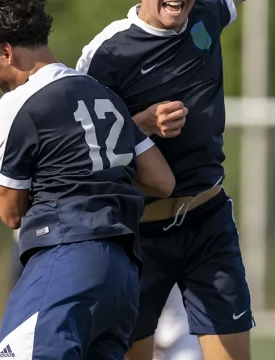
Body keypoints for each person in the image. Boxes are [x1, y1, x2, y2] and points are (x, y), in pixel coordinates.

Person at [0, 1, 175, 359]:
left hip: (67, 260)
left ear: (5, 51)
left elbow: (11, 213)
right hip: (123, 276)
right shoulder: (103, 94)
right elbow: (162, 180)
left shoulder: (18, 103)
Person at [76, 1, 254, 359]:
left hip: (209, 223)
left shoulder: (208, 12)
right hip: (138, 237)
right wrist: (140, 125)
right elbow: (82, 153)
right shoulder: (106, 53)